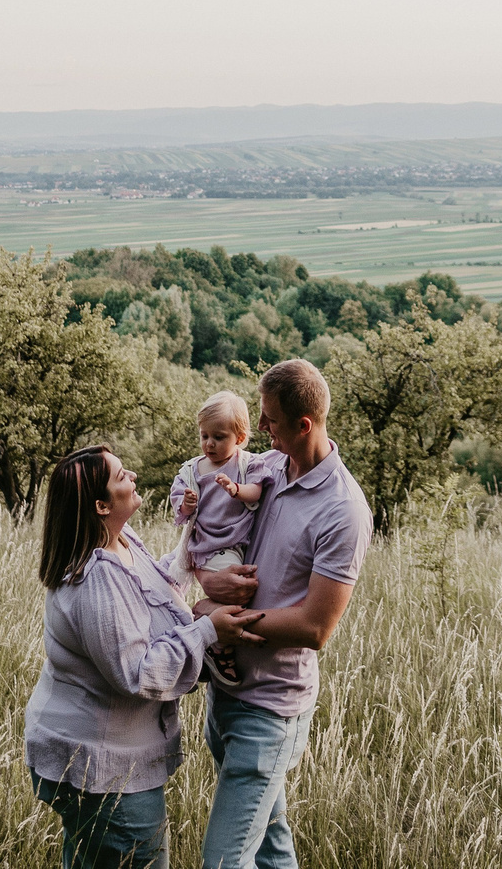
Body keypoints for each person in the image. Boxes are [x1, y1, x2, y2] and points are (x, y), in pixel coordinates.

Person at [26, 445, 266, 869]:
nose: (133, 475)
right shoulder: (97, 576)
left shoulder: (121, 541)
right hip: (99, 767)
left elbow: (158, 587)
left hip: (100, 758)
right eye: (121, 476)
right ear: (101, 506)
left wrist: (206, 570)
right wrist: (208, 630)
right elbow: (139, 672)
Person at [190, 359, 372, 869]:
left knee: (224, 862)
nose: (261, 429)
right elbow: (216, 546)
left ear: (303, 425)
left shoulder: (344, 510)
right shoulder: (268, 468)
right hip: (224, 694)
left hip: (269, 709)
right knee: (270, 845)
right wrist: (208, 591)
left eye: (269, 420)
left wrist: (217, 622)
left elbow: (316, 627)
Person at [170, 391, 285, 684]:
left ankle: (203, 627)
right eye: (204, 435)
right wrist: (186, 504)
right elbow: (178, 508)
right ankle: (218, 649)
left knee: (243, 594)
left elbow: (256, 491)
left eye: (219, 437)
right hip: (210, 548)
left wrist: (236, 489)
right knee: (238, 598)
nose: (209, 443)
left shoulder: (247, 465)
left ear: (240, 438)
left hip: (236, 546)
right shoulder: (192, 471)